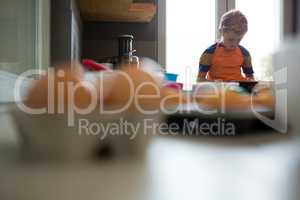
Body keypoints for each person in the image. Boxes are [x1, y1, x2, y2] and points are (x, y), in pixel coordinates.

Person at [197, 10, 255, 82]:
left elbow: (250, 77)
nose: (234, 44)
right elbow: (199, 80)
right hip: (217, 90)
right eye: (231, 40)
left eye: (239, 40)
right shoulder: (209, 53)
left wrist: (250, 82)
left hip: (237, 90)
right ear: (221, 31)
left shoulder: (245, 53)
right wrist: (214, 83)